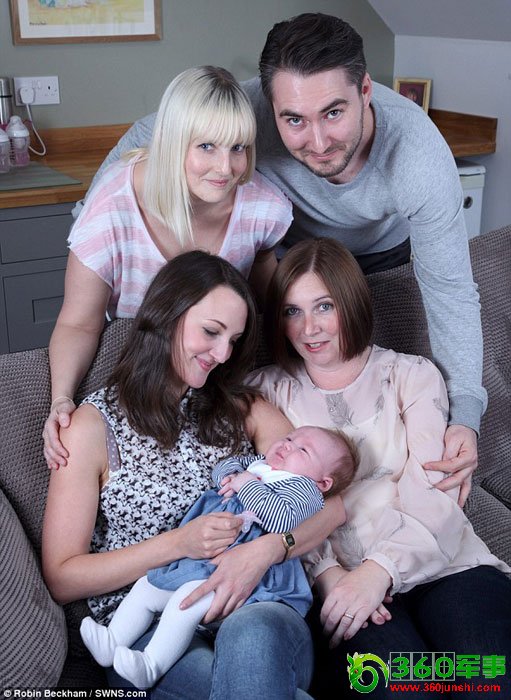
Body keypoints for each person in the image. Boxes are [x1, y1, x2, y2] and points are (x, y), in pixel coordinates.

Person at [82, 14, 484, 505]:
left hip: (379, 255)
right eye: (293, 120)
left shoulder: (418, 157)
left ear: (364, 90)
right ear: (268, 105)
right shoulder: (247, 110)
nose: (318, 141)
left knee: (372, 387)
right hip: (285, 254)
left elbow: (451, 290)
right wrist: (92, 216)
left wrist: (466, 415)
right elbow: (155, 130)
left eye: (333, 113)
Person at [42, 250, 346, 699]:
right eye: (211, 332)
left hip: (253, 603)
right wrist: (178, 544)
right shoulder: (92, 427)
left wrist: (264, 551)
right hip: (145, 625)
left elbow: (331, 506)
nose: (222, 354)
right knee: (224, 683)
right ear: (167, 316)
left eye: (233, 340)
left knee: (250, 642)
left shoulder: (243, 409)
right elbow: (62, 576)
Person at [245, 237, 511, 699]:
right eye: (292, 311)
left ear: (350, 301)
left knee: (490, 681)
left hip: (445, 566)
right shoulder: (265, 393)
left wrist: (380, 570)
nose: (309, 328)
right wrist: (329, 578)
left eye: (324, 306)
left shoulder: (411, 375)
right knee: (405, 688)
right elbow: (267, 500)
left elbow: (436, 490)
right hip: (342, 585)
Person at [43, 65, 292, 470]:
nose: (226, 168)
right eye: (207, 146)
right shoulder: (112, 209)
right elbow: (78, 323)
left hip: (217, 377)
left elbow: (271, 298)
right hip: (137, 372)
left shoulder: (261, 206)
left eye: (238, 147)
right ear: (173, 142)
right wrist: (61, 399)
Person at [79, 425, 359, 689]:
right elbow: (227, 466)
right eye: (288, 438)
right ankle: (113, 640)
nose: (287, 446)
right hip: (205, 562)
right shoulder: (260, 464)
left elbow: (280, 520)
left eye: (303, 450)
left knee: (186, 599)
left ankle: (151, 664)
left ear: (323, 482)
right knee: (147, 586)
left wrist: (245, 484)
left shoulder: (304, 490)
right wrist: (230, 475)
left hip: (251, 580)